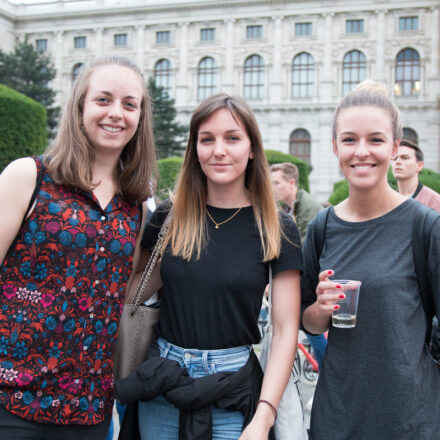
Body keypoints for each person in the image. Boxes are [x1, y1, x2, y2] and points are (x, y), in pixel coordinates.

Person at [116, 93, 303, 440]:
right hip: (164, 389)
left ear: (251, 149)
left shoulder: (277, 227)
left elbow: (285, 328)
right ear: (195, 149)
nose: (219, 150)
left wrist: (263, 418)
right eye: (207, 139)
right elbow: (132, 288)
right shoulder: (169, 217)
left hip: (233, 395)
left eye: (232, 138)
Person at [0, 55, 156, 439]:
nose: (115, 113)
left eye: (129, 104)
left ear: (140, 117)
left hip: (89, 412)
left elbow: (132, 285)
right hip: (13, 401)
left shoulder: (137, 206)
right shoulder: (29, 176)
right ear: (80, 106)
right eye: (103, 100)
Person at [301, 80, 440, 440]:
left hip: (408, 415)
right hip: (338, 413)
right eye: (349, 140)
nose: (362, 151)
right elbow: (309, 323)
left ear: (394, 148)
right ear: (335, 147)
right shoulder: (323, 226)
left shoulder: (424, 226)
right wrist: (320, 307)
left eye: (375, 140)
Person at [270, 162, 327, 369]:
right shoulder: (286, 206)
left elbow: (302, 250)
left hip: (315, 276)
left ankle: (325, 369)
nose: (272, 187)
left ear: (292, 183)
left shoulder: (308, 207)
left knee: (305, 326)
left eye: (276, 183)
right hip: (304, 274)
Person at [391, 138, 440, 212]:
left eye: (405, 158)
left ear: (419, 165)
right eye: (394, 159)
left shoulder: (434, 201)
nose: (397, 162)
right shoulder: (388, 202)